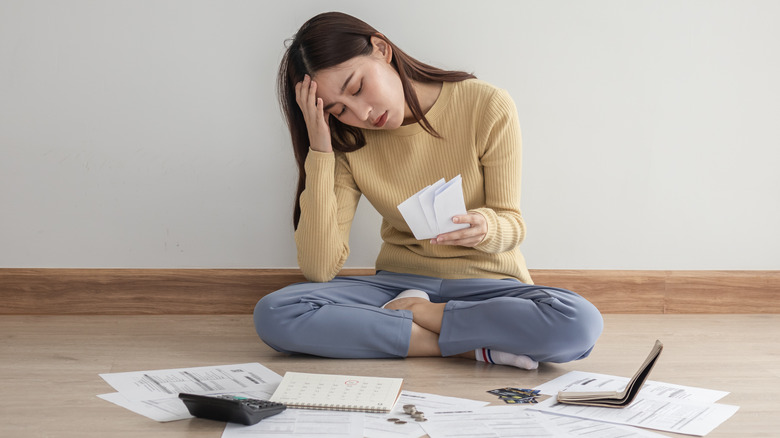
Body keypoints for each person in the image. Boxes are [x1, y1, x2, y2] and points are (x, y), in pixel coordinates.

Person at [254, 11, 603, 370]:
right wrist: (321, 150)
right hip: (397, 286)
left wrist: (485, 227)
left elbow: (512, 223)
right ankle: (469, 348)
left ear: (380, 48)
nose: (361, 112)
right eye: (340, 109)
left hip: (488, 286)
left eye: (357, 87)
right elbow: (319, 267)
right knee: (275, 313)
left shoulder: (485, 105)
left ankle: (419, 319)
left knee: (579, 323)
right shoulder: (348, 142)